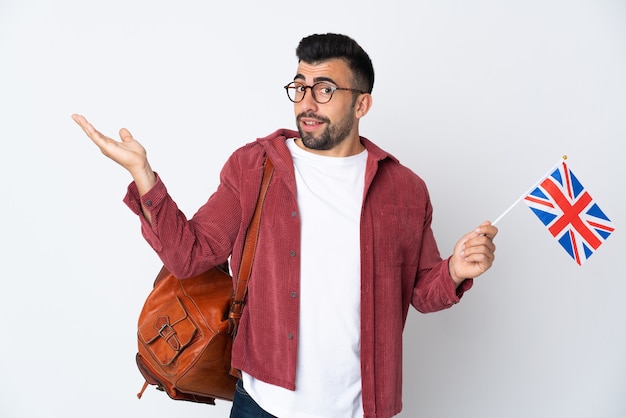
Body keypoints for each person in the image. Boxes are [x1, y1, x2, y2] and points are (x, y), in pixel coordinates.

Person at [73, 33, 497, 418]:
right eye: (300, 88)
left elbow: (422, 293)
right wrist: (143, 174)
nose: (307, 103)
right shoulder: (254, 166)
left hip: (362, 409)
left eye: (325, 90)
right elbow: (190, 255)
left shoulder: (405, 189)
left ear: (362, 104)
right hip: (263, 405)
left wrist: (456, 270)